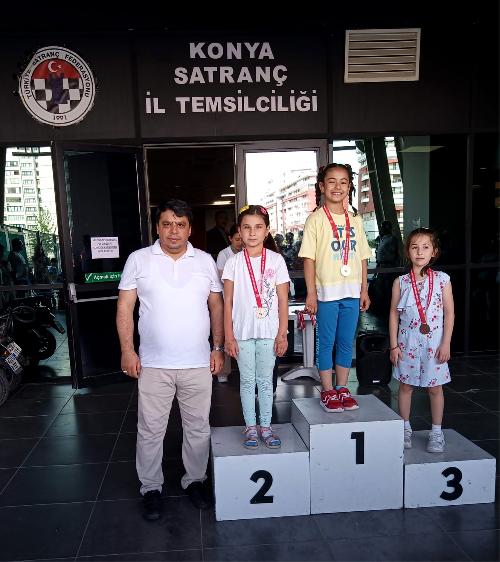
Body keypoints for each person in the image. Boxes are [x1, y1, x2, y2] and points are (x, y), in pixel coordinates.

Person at [116, 199, 224, 521]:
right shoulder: (138, 260)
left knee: (198, 428)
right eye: (166, 224)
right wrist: (127, 350)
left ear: (190, 229)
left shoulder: (205, 261)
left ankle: (195, 480)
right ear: (157, 227)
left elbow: (216, 306)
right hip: (153, 364)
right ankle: (151, 487)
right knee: (150, 429)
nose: (173, 231)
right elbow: (125, 308)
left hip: (197, 362)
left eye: (180, 225)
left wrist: (218, 347)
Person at [299, 163, 371, 412]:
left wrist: (364, 290)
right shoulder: (316, 219)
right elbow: (309, 259)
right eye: (331, 181)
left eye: (343, 182)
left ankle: (342, 387)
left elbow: (363, 257)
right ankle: (327, 390)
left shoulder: (356, 219)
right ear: (321, 186)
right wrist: (311, 293)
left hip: (351, 292)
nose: (337, 186)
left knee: (345, 342)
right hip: (327, 293)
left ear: (349, 187)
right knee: (326, 342)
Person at [223, 205, 290, 449]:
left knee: (265, 381)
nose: (252, 233)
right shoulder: (233, 263)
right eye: (247, 227)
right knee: (247, 381)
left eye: (258, 227)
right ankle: (250, 427)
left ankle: (266, 427)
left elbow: (283, 300)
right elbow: (228, 302)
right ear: (239, 231)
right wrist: (228, 336)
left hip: (269, 332)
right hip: (242, 332)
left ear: (267, 230)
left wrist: (282, 334)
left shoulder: (276, 260)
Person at [389, 227, 454, 453]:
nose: (420, 252)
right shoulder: (401, 282)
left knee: (435, 388)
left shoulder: (443, 280)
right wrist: (394, 345)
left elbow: (449, 313)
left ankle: (436, 432)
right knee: (405, 386)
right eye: (414, 247)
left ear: (434, 252)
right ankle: (405, 428)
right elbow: (393, 314)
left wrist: (446, 343)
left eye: (426, 247)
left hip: (434, 344)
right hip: (407, 343)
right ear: (408, 251)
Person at [215, 224, 243, 383]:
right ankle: (223, 372)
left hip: (242, 301)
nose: (240, 242)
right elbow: (222, 278)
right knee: (226, 332)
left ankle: (243, 369)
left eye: (241, 239)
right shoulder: (223, 254)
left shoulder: (247, 252)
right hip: (227, 299)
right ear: (230, 238)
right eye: (237, 239)